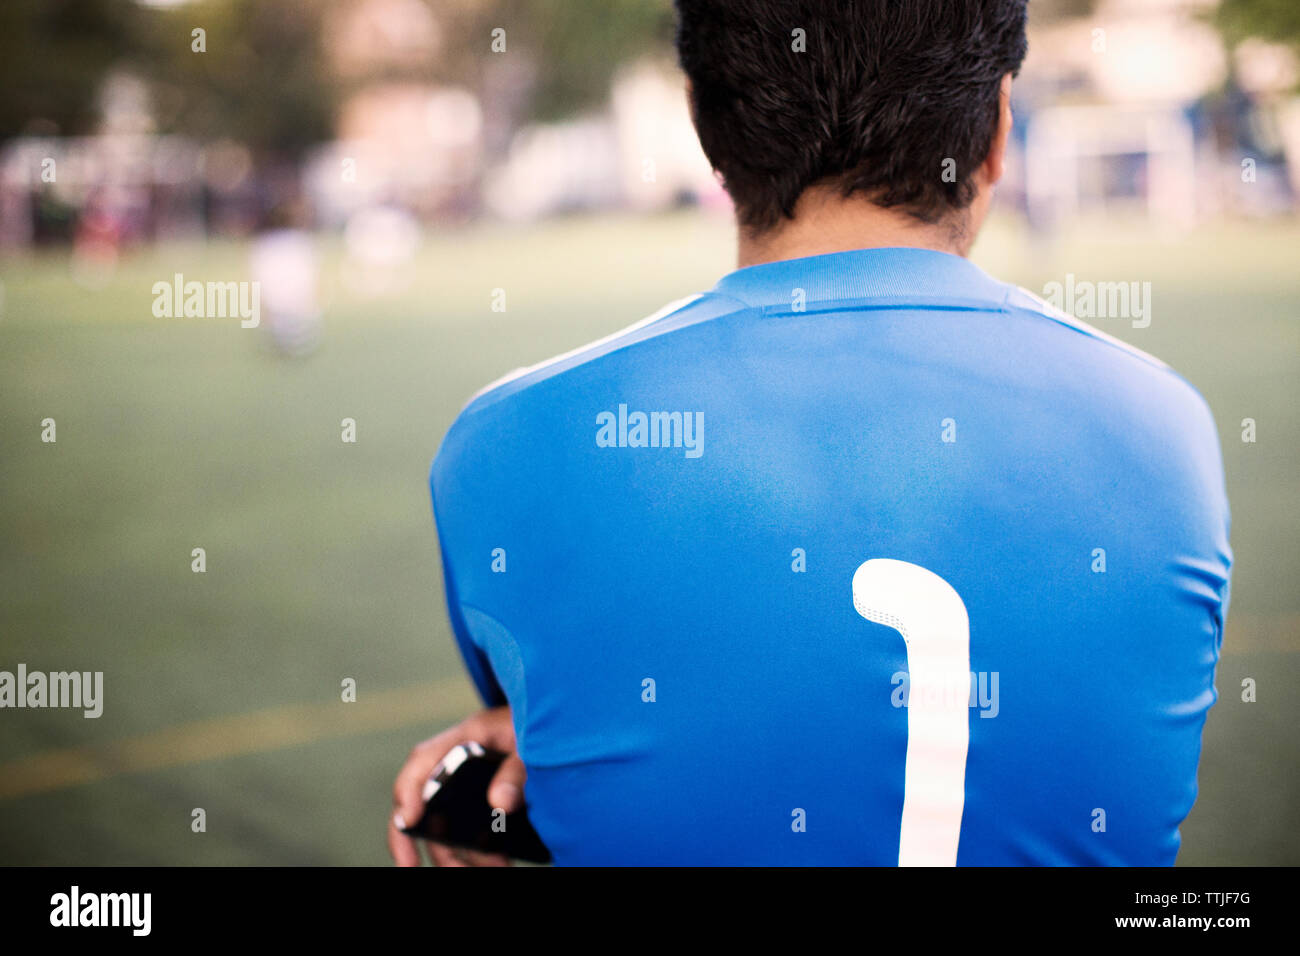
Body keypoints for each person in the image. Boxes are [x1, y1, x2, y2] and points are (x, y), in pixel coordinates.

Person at [390, 0, 1232, 866]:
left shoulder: (504, 444)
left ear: (707, 129)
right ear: (997, 132)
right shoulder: (1168, 429)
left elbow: (591, 694)